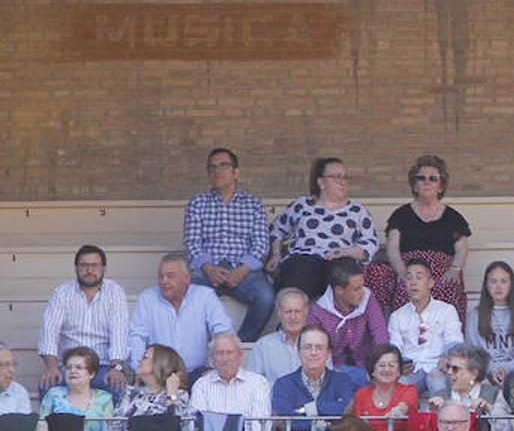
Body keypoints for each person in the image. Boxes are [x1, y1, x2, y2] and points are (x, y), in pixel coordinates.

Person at [183, 147, 274, 343]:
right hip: (207, 270)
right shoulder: (197, 203)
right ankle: (195, 347)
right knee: (183, 296)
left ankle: (240, 344)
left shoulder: (253, 204)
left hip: (243, 271)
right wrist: (209, 269)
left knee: (266, 298)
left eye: (223, 165)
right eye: (212, 167)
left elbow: (261, 245)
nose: (217, 171)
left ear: (236, 172)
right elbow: (192, 242)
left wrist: (241, 270)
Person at [364, 155, 472, 321]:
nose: (426, 182)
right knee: (404, 284)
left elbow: (461, 247)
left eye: (433, 178)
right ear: (414, 185)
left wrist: (455, 269)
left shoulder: (453, 217)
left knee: (447, 285)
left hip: (440, 272)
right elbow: (393, 246)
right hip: (409, 268)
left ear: (441, 186)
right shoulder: (401, 215)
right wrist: (402, 271)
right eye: (421, 178)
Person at [268, 157, 377, 301]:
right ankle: (295, 320)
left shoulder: (357, 210)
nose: (342, 181)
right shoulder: (302, 205)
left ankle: (340, 322)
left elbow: (370, 244)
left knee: (343, 279)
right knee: (296, 279)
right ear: (321, 182)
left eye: (345, 177)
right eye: (336, 177)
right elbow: (276, 230)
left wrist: (345, 251)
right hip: (304, 258)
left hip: (339, 260)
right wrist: (276, 255)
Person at [38, 245, 130, 391]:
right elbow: (49, 332)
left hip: (104, 366)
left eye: (94, 265)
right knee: (48, 384)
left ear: (104, 268)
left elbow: (119, 333)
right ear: (76, 268)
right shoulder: (61, 293)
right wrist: (51, 367)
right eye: (84, 265)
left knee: (117, 386)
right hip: (69, 366)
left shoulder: (115, 292)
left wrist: (116, 368)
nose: (89, 270)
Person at [128, 252, 234, 377]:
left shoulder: (204, 296)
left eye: (170, 276)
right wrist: (139, 369)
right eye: (161, 276)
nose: (164, 281)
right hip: (159, 374)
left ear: (187, 278)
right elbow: (137, 337)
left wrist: (220, 366)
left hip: (196, 372)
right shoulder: (147, 298)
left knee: (213, 382)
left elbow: (223, 330)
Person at [385, 258, 462, 398]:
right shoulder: (397, 316)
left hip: (439, 367)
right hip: (411, 369)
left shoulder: (447, 310)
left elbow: (455, 341)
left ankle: (443, 419)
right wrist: (399, 363)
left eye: (419, 277)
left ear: (431, 282)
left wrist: (447, 357)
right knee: (400, 385)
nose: (413, 282)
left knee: (436, 380)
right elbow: (394, 347)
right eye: (409, 278)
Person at [307, 257, 388, 380]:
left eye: (362, 286)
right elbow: (316, 353)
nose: (362, 292)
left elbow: (380, 332)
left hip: (368, 368)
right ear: (339, 290)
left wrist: (380, 366)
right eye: (356, 289)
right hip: (333, 373)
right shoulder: (317, 312)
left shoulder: (367, 297)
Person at [465, 261, 514, 385]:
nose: (498, 286)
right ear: (486, 285)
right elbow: (473, 352)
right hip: (484, 374)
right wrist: (492, 370)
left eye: (503, 281)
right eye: (493, 281)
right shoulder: (475, 316)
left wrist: (507, 369)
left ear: (511, 285)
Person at [438, 343, 504, 431]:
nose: (449, 372)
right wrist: (433, 413)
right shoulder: (440, 396)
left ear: (474, 374)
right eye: (448, 367)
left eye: (455, 369)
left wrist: (489, 409)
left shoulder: (494, 394)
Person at [245, 288, 309, 384]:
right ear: (279, 312)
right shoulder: (263, 346)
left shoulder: (318, 344)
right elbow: (251, 386)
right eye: (288, 312)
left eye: (297, 311)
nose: (293, 317)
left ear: (306, 312)